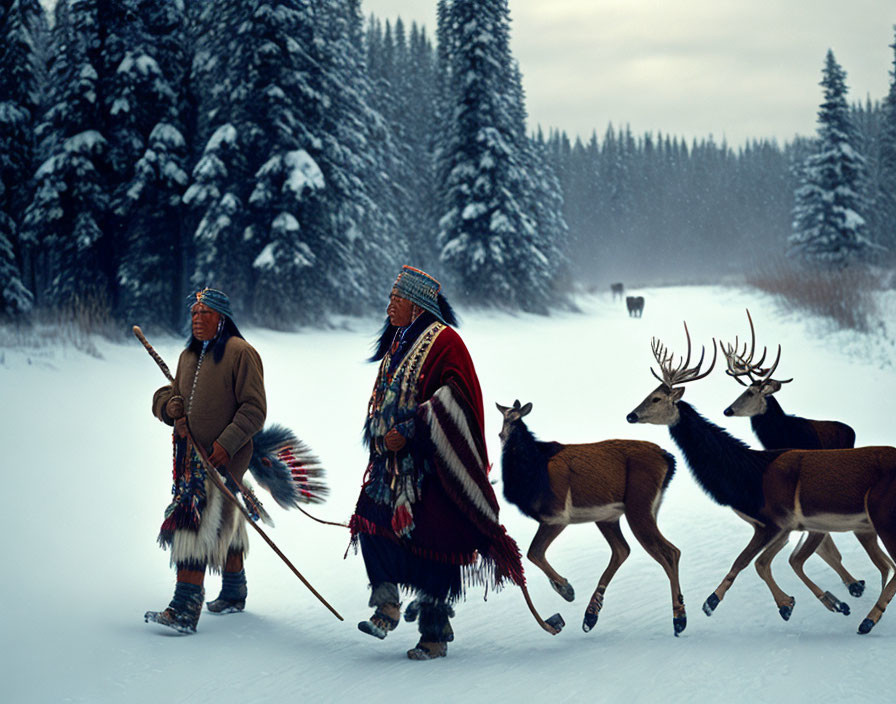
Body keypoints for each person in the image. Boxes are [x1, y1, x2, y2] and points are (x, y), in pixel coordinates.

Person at [349, 266, 526, 660]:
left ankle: (434, 632)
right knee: (371, 519)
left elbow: (457, 401)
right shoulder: (399, 341)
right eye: (390, 297)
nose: (389, 305)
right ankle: (387, 603)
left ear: (417, 304)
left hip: (434, 465)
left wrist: (412, 429)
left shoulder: (446, 342)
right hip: (393, 464)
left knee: (434, 543)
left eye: (397, 298)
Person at [145, 288, 266, 634]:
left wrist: (226, 445)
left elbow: (254, 409)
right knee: (225, 521)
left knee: (192, 526)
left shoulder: (241, 353)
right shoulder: (188, 355)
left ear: (222, 318)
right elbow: (172, 395)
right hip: (190, 460)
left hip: (223, 462)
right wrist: (169, 407)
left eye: (205, 313)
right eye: (194, 314)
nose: (197, 320)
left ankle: (184, 608)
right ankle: (233, 592)